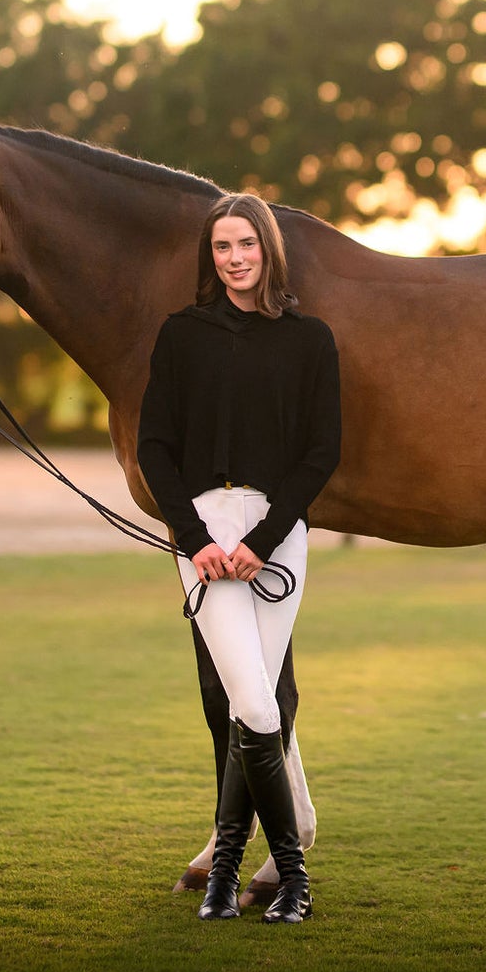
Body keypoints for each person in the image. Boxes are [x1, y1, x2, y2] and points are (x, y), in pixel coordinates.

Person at [137, 192, 342, 924]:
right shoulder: (181, 336)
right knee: (253, 704)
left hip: (277, 537)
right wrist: (198, 541)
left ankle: (223, 876)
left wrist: (261, 540)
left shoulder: (310, 339)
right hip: (205, 534)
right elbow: (153, 446)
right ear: (211, 256)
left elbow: (323, 453)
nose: (234, 258)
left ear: (268, 251)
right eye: (222, 246)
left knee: (250, 706)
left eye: (246, 245)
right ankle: (295, 878)